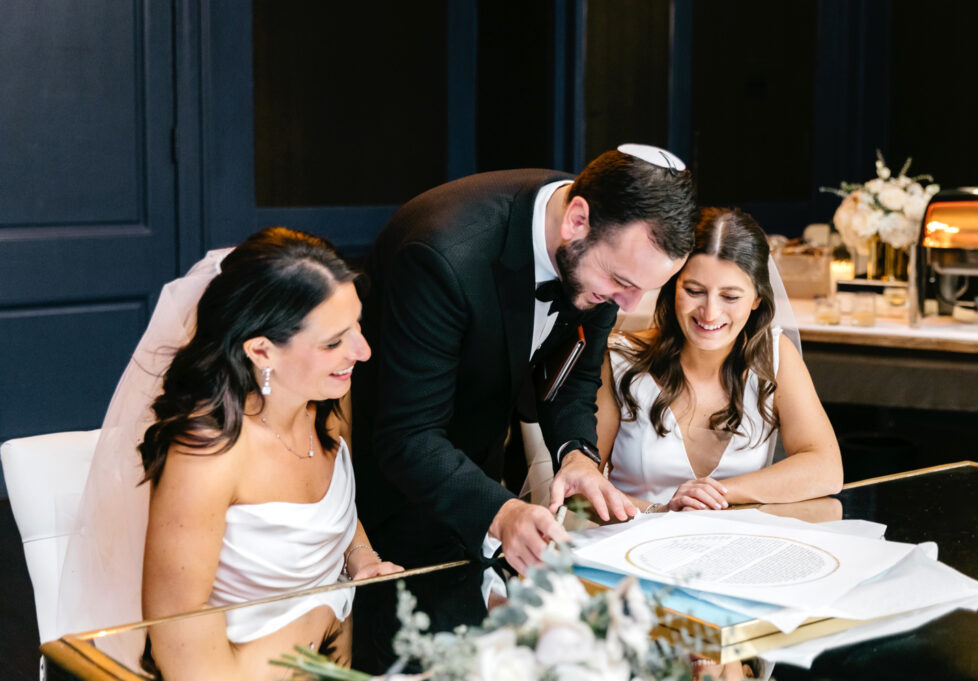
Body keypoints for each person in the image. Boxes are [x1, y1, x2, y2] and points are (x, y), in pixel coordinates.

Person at [350, 145, 698, 670]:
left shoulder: (598, 245)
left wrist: (577, 455)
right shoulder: (442, 252)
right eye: (624, 284)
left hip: (484, 483)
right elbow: (407, 436)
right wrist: (502, 511)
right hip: (393, 509)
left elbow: (576, 377)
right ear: (576, 219)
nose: (629, 307)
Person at [59, 228, 401, 680]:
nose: (362, 350)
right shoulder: (207, 455)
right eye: (333, 342)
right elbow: (181, 652)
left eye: (358, 325)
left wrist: (362, 557)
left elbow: (334, 510)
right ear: (262, 351)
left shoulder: (326, 400)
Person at [596, 208, 842, 512]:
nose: (710, 313)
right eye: (695, 291)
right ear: (672, 288)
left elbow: (827, 469)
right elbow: (579, 491)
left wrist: (716, 494)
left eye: (730, 297)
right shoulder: (620, 359)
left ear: (756, 300)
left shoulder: (775, 355)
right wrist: (659, 512)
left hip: (733, 550)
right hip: (628, 547)